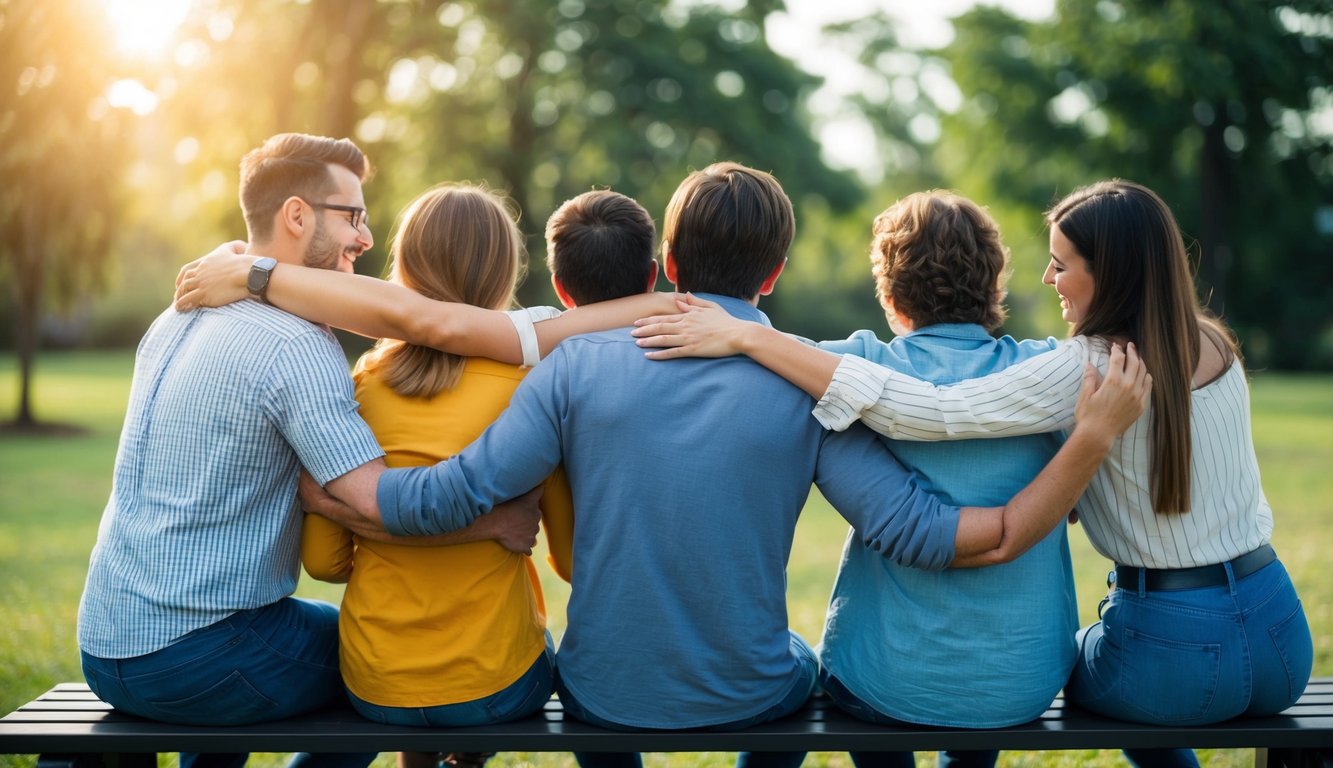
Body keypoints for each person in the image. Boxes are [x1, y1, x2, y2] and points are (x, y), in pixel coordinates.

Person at [297, 162, 1149, 768]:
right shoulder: (802, 383)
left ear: (664, 265)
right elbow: (912, 529)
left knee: (610, 679)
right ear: (775, 272)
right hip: (749, 693)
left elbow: (458, 494)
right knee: (801, 670)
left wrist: (346, 499)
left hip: (604, 691)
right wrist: (1012, 517)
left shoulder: (573, 368)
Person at [632, 180, 1313, 760]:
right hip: (1279, 630)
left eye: (1061, 264)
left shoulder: (1080, 368)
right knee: (1055, 661)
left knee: (1105, 668)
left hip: (1155, 653)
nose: (1049, 278)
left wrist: (747, 332)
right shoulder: (1212, 344)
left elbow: (934, 409)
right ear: (991, 285)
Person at [75, 133, 537, 768]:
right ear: (298, 215)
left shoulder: (177, 314)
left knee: (302, 638)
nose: (367, 239)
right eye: (353, 216)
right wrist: (496, 521)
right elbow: (376, 502)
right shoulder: (297, 345)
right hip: (197, 656)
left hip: (105, 642)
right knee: (380, 669)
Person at [300, 184, 631, 768]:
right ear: (503, 273)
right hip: (494, 686)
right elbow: (571, 562)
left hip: (377, 681)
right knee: (522, 674)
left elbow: (325, 563)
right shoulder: (533, 389)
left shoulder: (360, 386)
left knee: (414, 706)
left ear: (404, 267)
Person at [793, 191, 1078, 768]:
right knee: (975, 721)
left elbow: (769, 351)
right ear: (994, 288)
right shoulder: (1048, 371)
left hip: (881, 677)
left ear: (892, 299)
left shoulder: (859, 365)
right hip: (1018, 681)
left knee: (860, 682)